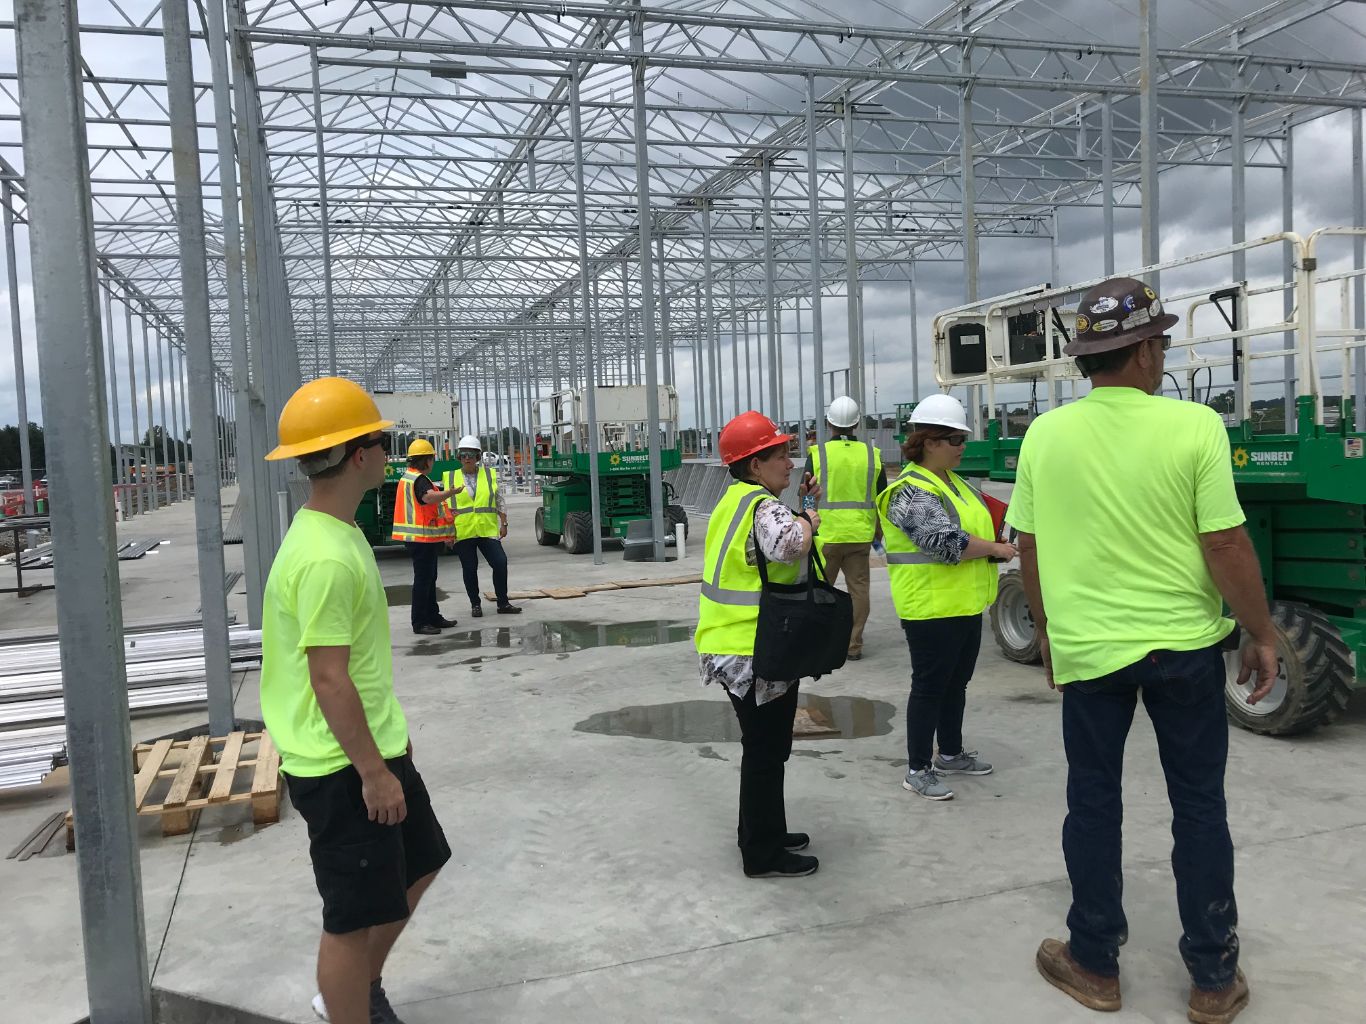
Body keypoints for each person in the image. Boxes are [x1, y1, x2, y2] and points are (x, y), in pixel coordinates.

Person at [1006, 277, 1277, 1023]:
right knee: (1198, 807)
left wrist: (1052, 633)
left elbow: (1028, 546)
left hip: (1092, 653)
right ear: (1149, 350)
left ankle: (1093, 964)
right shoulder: (1194, 427)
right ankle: (1214, 979)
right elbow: (1222, 541)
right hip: (1184, 651)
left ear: (1092, 357)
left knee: (1092, 802)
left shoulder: (1045, 435)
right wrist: (1260, 631)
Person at [261, 378, 451, 1024]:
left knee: (422, 861)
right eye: (381, 439)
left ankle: (357, 989)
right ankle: (343, 1005)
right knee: (350, 914)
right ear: (358, 454)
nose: (389, 450)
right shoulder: (324, 558)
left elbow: (354, 674)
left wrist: (390, 746)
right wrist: (372, 771)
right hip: (339, 766)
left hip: (370, 747)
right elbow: (329, 680)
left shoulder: (338, 535)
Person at [695, 411, 824, 879]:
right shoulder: (764, 506)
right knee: (767, 752)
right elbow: (788, 546)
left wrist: (800, 511)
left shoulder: (734, 501)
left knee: (763, 748)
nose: (789, 462)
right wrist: (808, 518)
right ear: (754, 465)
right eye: (779, 454)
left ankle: (763, 830)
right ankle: (762, 852)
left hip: (728, 644)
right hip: (755, 650)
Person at [875, 393, 1016, 801]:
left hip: (965, 604)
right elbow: (944, 541)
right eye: (955, 440)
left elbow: (990, 520)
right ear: (930, 441)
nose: (962, 448)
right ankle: (918, 768)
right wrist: (994, 549)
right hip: (931, 608)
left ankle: (950, 754)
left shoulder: (957, 485)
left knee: (957, 685)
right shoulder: (908, 490)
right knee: (930, 688)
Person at [804, 395, 886, 661]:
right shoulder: (871, 455)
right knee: (858, 590)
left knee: (819, 590)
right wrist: (878, 530)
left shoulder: (818, 453)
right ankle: (853, 645)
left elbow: (806, 493)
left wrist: (806, 522)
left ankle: (819, 641)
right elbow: (883, 496)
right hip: (860, 535)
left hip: (825, 535)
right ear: (857, 423)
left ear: (829, 423)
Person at [442, 435, 521, 617]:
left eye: (470, 454)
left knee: (500, 563)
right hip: (464, 531)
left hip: (487, 529)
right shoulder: (450, 477)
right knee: (470, 569)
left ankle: (503, 603)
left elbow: (499, 500)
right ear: (459, 457)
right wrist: (447, 533)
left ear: (478, 456)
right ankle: (475, 604)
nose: (467, 458)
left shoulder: (489, 474)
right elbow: (443, 508)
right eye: (463, 454)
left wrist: (504, 522)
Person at [392, 439, 462, 636]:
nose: (433, 462)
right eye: (432, 458)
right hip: (420, 539)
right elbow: (428, 498)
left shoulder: (411, 478)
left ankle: (432, 616)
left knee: (429, 579)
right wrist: (449, 493)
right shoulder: (419, 480)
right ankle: (420, 622)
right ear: (426, 460)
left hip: (423, 539)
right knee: (424, 580)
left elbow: (428, 507)